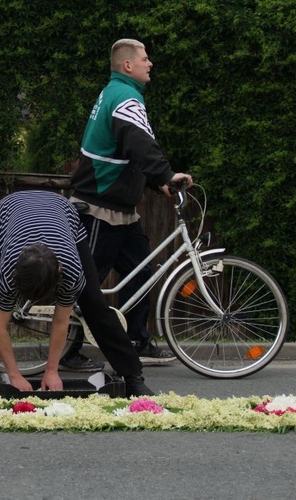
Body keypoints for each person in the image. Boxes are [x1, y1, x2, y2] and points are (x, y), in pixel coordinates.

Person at [0, 190, 154, 400]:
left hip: (63, 213)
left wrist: (52, 371)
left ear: (59, 273)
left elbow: (61, 321)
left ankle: (133, 376)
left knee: (93, 302)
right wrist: (14, 375)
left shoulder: (70, 268)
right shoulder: (8, 271)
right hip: (8, 211)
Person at [64, 39, 194, 370]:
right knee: (86, 281)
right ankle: (67, 351)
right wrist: (166, 174)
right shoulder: (125, 97)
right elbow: (139, 145)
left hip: (120, 207)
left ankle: (136, 341)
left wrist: (158, 182)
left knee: (141, 271)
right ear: (128, 66)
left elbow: (124, 151)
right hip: (99, 205)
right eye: (145, 59)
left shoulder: (115, 93)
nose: (150, 64)